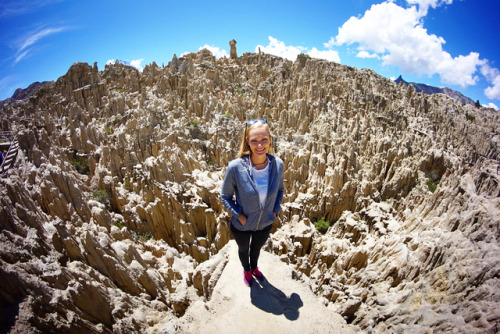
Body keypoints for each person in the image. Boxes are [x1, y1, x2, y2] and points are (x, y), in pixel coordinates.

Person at [221, 119, 285, 286]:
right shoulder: (235, 167)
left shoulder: (277, 165)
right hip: (242, 225)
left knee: (256, 249)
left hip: (264, 223)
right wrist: (240, 216)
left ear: (270, 139)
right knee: (243, 249)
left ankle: (254, 267)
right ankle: (247, 270)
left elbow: (280, 190)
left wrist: (275, 211)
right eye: (254, 140)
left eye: (264, 139)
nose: (259, 145)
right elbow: (225, 196)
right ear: (247, 142)